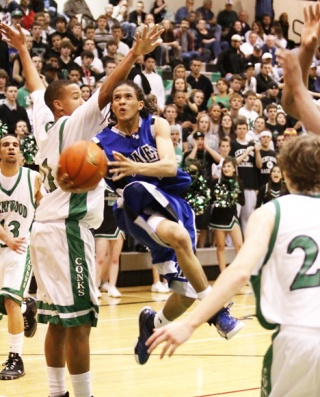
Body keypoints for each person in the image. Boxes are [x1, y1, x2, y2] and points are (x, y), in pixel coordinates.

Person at [0, 21, 164, 397]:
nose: (84, 97)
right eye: (77, 94)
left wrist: (24, 50)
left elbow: (35, 88)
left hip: (48, 230)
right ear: (62, 106)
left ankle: (57, 393)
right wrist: (134, 55)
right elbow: (106, 91)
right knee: (79, 324)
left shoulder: (44, 122)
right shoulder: (73, 124)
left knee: (59, 321)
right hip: (67, 232)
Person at [93, 80, 243, 366]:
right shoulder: (101, 141)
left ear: (139, 103)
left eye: (127, 97)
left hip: (169, 202)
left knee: (186, 289)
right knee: (146, 199)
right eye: (116, 98)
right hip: (136, 208)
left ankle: (153, 323)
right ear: (112, 106)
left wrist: (136, 167)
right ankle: (217, 312)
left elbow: (170, 166)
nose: (121, 101)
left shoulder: (156, 125)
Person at [0, 134, 42, 380]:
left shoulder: (33, 177)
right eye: (5, 144)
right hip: (5, 244)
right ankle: (28, 308)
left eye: (15, 144)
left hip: (21, 249)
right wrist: (6, 238)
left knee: (10, 301)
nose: (11, 148)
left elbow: (46, 207)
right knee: (9, 304)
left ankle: (16, 358)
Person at [209, 156, 245, 272]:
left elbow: (243, 201)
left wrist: (235, 197)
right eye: (224, 166)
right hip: (218, 218)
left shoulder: (238, 182)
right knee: (220, 246)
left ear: (234, 168)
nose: (226, 168)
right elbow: (210, 200)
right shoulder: (216, 182)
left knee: (239, 246)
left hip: (232, 216)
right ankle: (223, 273)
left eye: (229, 166)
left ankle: (241, 273)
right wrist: (218, 196)